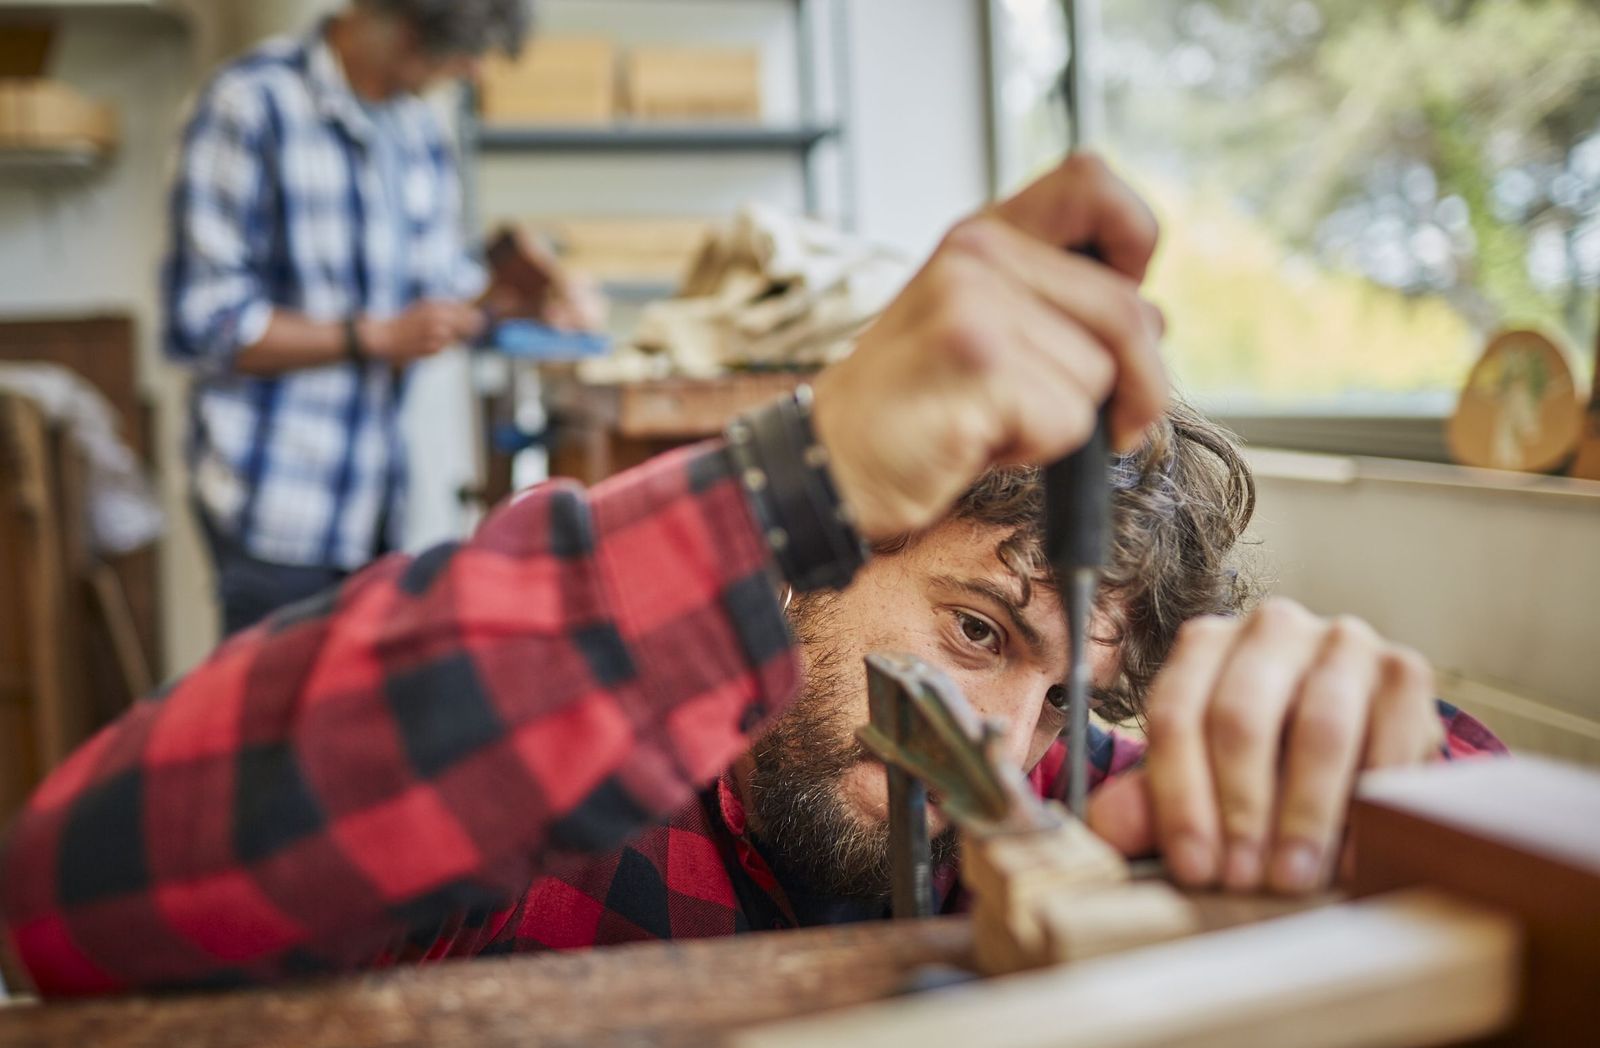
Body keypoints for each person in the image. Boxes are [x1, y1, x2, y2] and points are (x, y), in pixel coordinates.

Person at [2, 156, 1499, 996]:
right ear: (824, 559)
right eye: (974, 629)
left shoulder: (1076, 798)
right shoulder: (553, 819)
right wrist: (783, 478)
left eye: (1059, 699)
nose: (1001, 745)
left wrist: (1385, 758)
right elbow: (85, 895)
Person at [163, 0, 581, 636]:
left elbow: (445, 291)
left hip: (375, 507)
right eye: (459, 55)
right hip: (273, 503)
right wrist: (376, 337)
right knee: (276, 729)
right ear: (404, 29)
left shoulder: (417, 130)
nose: (469, 73)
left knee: (355, 724)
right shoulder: (248, 105)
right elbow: (208, 321)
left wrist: (524, 305)